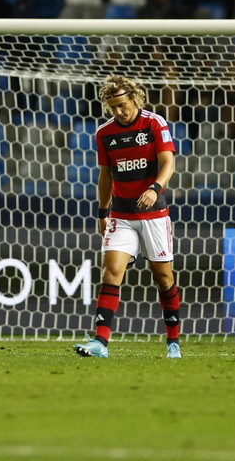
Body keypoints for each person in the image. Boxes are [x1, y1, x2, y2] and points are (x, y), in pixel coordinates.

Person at [74, 76, 181, 359]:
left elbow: (169, 162)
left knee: (163, 277)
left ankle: (173, 341)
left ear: (134, 98)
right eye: (112, 107)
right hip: (121, 214)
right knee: (111, 271)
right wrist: (102, 210)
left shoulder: (153, 123)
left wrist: (155, 188)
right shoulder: (104, 133)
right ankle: (100, 342)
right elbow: (106, 174)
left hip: (153, 214)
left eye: (122, 105)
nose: (118, 111)